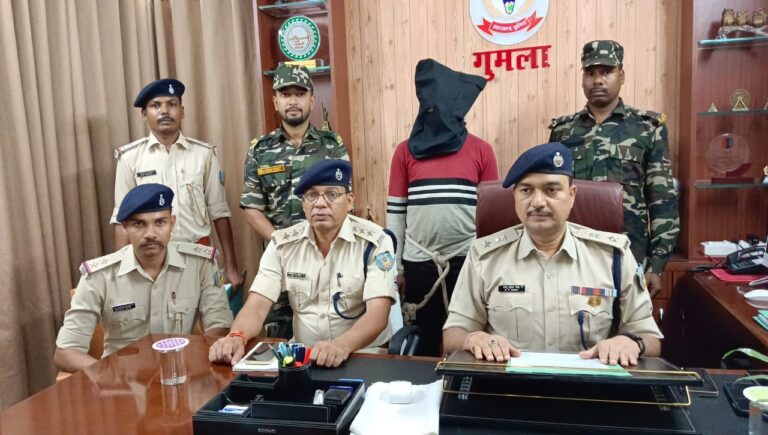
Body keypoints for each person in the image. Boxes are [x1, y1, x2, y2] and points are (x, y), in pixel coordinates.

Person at [443, 142, 662, 367]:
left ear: (571, 195)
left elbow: (650, 337)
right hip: (507, 383)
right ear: (515, 196)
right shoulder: (484, 256)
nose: (538, 202)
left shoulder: (614, 256)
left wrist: (631, 342)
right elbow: (453, 333)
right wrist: (473, 338)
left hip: (590, 383)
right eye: (526, 190)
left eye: (551, 190)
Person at [210, 160, 397, 368]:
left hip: (363, 354)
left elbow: (377, 315)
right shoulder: (283, 245)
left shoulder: (375, 242)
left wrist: (340, 346)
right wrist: (237, 336)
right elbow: (258, 305)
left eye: (332, 194)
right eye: (311, 196)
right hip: (303, 358)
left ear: (350, 201)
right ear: (304, 204)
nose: (320, 203)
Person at [548, 40, 679, 298]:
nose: (597, 80)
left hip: (628, 253)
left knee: (625, 321)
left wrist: (657, 264)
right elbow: (552, 193)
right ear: (582, 79)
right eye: (590, 73)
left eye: (606, 72)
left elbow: (662, 199)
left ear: (622, 76)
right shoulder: (563, 131)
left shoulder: (648, 127)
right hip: (574, 253)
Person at [55, 184, 233, 372]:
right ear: (125, 226)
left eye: (160, 222)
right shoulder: (99, 276)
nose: (150, 234)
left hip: (181, 374)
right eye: (139, 224)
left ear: (172, 223)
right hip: (123, 382)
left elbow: (219, 327)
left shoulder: (200, 264)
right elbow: (66, 352)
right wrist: (107, 376)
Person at [386, 58, 498, 356]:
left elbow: (490, 217)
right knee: (423, 339)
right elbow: (396, 213)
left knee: (469, 338)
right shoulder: (404, 152)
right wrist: (397, 267)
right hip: (419, 262)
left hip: (467, 260)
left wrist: (490, 264)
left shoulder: (482, 151)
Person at [240, 64, 348, 339]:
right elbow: (252, 207)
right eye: (285, 94)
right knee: (277, 336)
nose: (293, 101)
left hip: (323, 256)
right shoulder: (260, 149)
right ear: (275, 101)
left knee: (324, 330)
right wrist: (281, 243)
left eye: (300, 94)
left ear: (312, 100)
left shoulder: (331, 145)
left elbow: (344, 202)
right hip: (278, 258)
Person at [111, 78, 243, 290]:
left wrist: (232, 267)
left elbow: (219, 212)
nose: (165, 111)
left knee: (208, 311)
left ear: (182, 111)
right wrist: (120, 273)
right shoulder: (130, 158)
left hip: (198, 257)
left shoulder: (204, 155)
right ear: (144, 114)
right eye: (156, 105)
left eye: (172, 104)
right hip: (151, 260)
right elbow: (121, 220)